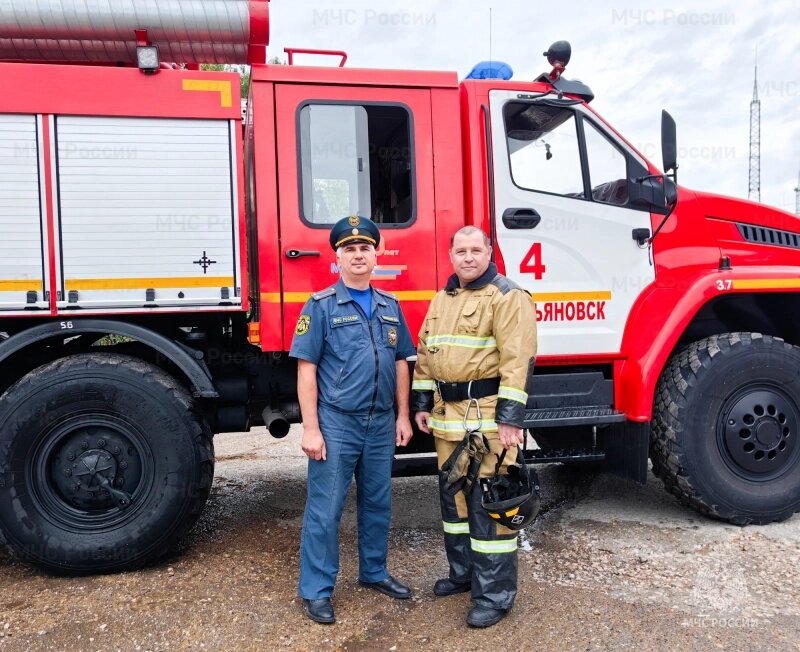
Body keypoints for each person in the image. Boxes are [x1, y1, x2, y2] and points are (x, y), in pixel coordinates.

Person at [289, 215, 416, 625]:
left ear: (376, 255)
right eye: (350, 249)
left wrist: (403, 415)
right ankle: (317, 590)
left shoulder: (390, 306)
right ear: (337, 258)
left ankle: (374, 572)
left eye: (365, 248)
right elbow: (306, 369)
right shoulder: (322, 306)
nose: (358, 255)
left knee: (378, 502)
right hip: (337, 423)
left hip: (381, 423)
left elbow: (401, 364)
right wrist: (311, 428)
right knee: (325, 510)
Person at [412, 226, 538, 628]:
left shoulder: (508, 297)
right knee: (455, 503)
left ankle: (495, 596)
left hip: (488, 421)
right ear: (451, 255)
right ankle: (463, 575)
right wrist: (420, 403)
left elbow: (518, 361)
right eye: (461, 251)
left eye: (475, 250)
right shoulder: (441, 299)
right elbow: (425, 355)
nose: (468, 257)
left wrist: (510, 419)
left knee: (491, 506)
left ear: (489, 252)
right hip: (448, 420)